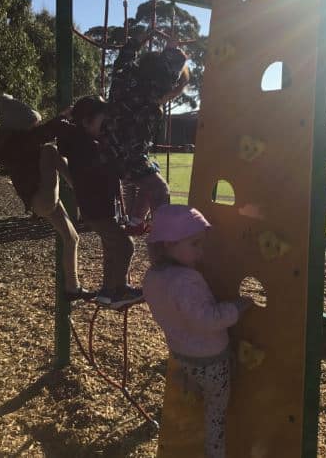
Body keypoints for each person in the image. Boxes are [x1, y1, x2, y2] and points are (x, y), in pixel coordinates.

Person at [143, 204, 252, 458]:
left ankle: (190, 385)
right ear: (169, 245)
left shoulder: (152, 277)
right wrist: (237, 307)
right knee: (216, 411)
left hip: (181, 353)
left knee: (195, 380)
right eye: (195, 244)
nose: (201, 251)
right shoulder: (185, 281)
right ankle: (215, 452)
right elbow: (206, 319)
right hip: (211, 359)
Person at [0, 94, 93, 301]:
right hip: (43, 197)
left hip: (41, 200)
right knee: (51, 150)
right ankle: (84, 189)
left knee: (72, 238)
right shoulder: (20, 142)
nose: (35, 127)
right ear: (22, 125)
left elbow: (42, 133)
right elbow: (46, 132)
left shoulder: (16, 143)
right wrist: (63, 117)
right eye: (33, 124)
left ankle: (72, 288)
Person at [59, 95, 143, 309]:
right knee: (125, 245)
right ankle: (119, 289)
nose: (106, 128)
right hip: (98, 210)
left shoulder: (82, 142)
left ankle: (108, 291)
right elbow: (106, 169)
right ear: (86, 122)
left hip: (97, 208)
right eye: (102, 123)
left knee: (111, 247)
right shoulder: (85, 146)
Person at [103, 34, 189, 235]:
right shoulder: (152, 96)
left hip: (107, 145)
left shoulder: (124, 75)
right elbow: (171, 75)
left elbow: (125, 54)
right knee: (160, 189)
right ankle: (163, 239)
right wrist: (173, 51)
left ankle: (135, 222)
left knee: (152, 169)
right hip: (125, 154)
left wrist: (140, 38)